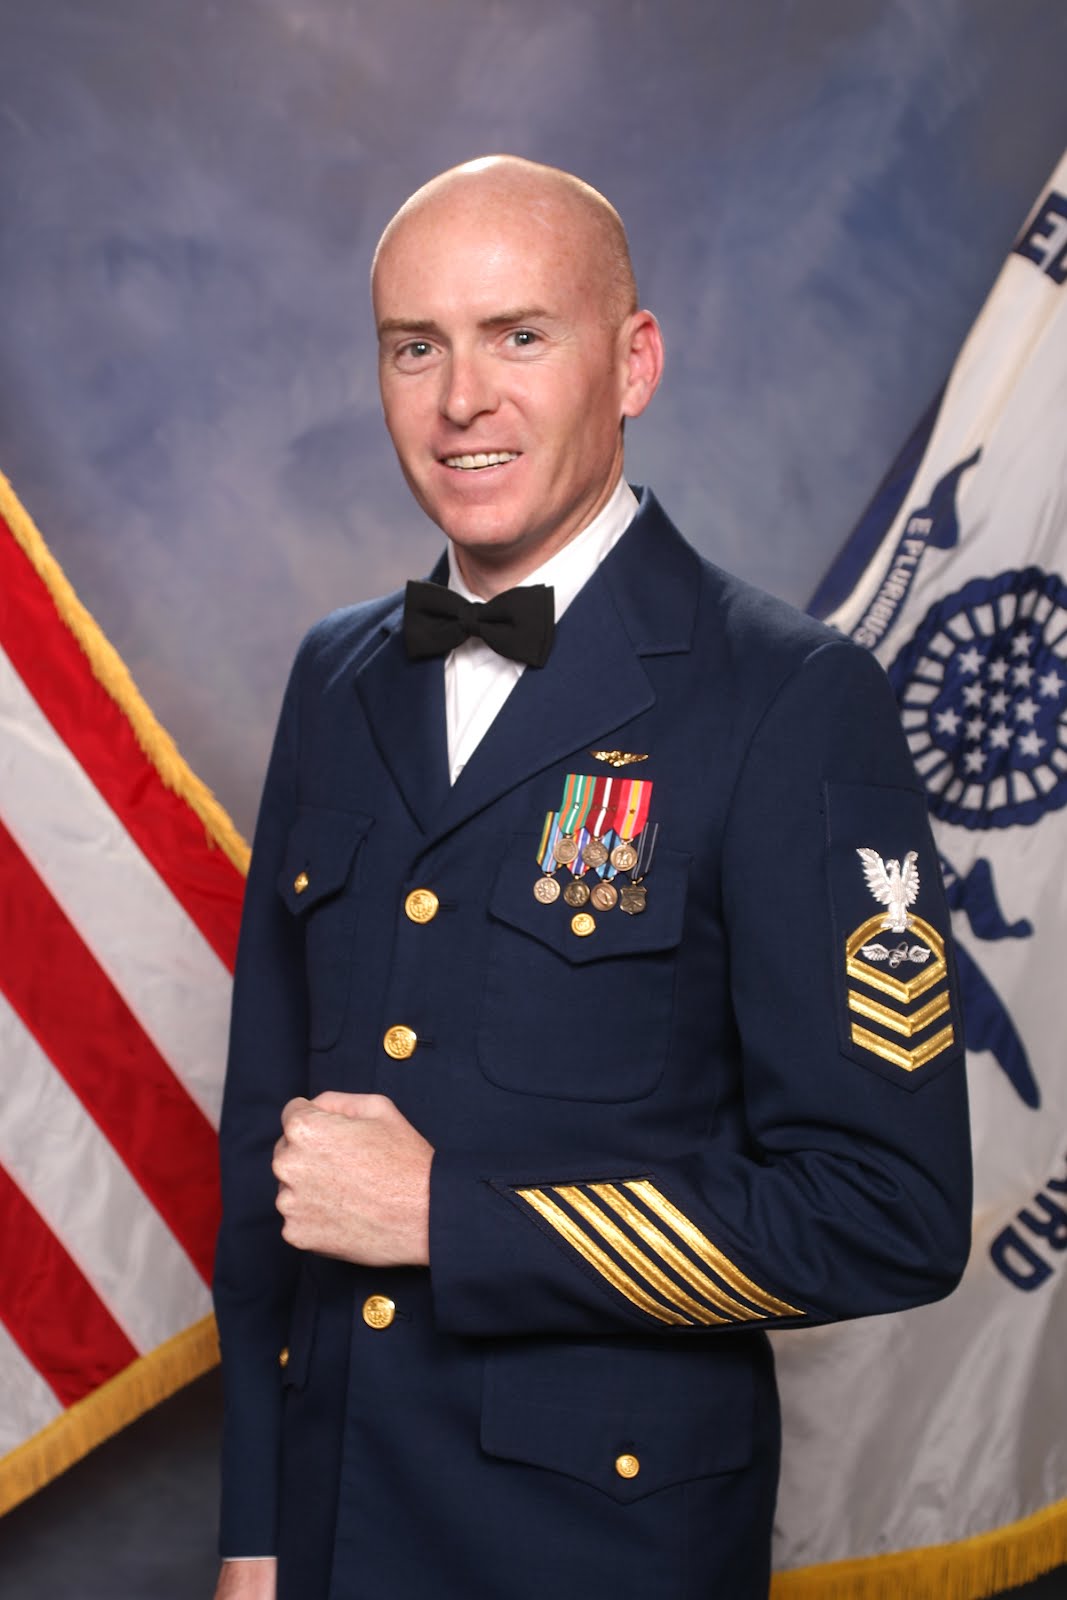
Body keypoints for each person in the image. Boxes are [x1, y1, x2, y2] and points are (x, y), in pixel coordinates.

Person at [213, 155, 972, 1600]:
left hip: (600, 1554)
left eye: (519, 335)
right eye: (415, 347)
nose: (462, 400)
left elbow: (887, 1208)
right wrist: (254, 1524)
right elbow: (270, 1146)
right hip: (325, 1532)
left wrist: (452, 1218)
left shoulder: (790, 698)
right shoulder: (337, 674)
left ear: (633, 364)